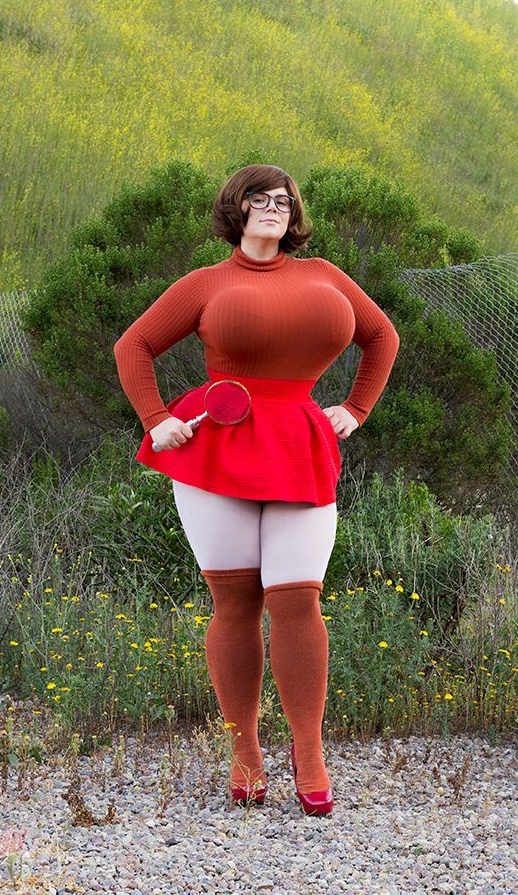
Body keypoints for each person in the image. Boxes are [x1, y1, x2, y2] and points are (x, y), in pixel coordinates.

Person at [113, 163, 399, 815]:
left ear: (293, 214)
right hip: (216, 447)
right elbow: (133, 347)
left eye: (283, 200)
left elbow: (382, 336)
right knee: (236, 603)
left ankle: (309, 751)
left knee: (298, 600)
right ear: (236, 209)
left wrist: (356, 407)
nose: (273, 207)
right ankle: (244, 750)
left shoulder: (325, 275)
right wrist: (156, 420)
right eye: (258, 198)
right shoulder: (206, 283)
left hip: (298, 443)